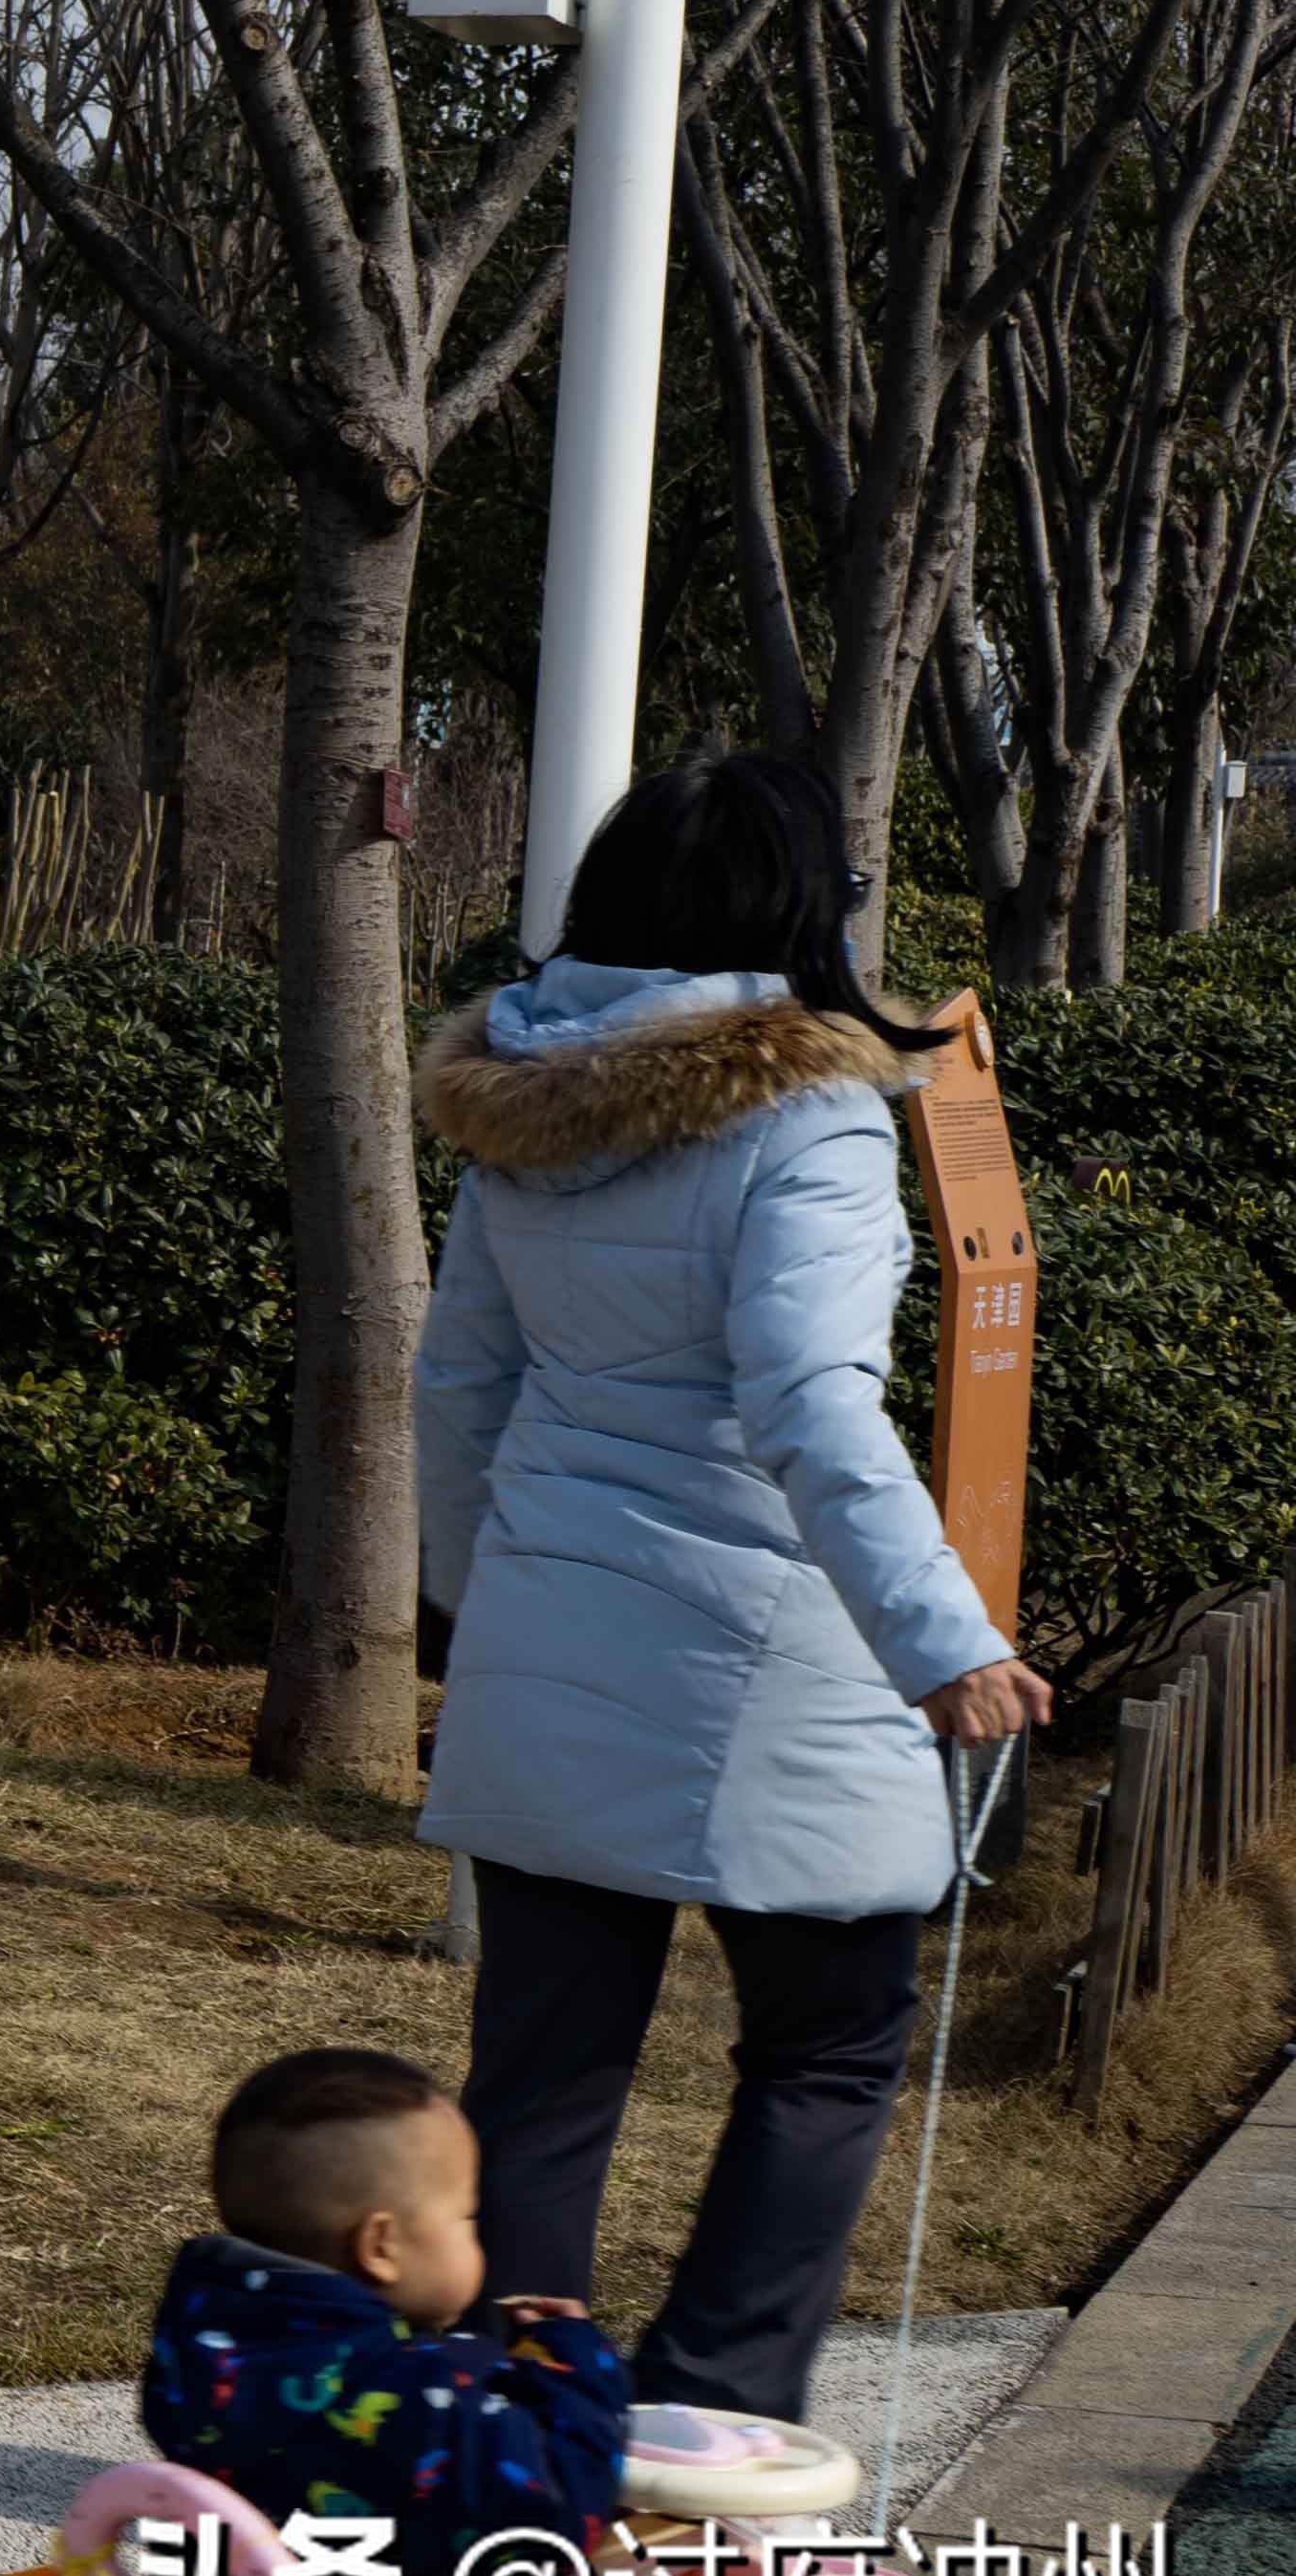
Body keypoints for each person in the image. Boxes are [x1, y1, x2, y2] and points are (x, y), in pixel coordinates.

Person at [414, 749, 1053, 2452]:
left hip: (554, 1642)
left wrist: (487, 1614)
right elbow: (814, 1405)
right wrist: (949, 1645)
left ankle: (523, 2437)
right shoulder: (814, 1112)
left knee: (542, 2083)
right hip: (774, 1671)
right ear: (798, 911)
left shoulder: (515, 1104)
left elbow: (456, 1390)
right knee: (832, 2044)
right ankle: (712, 2415)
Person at [144, 2047, 713, 2576]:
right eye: (467, 2217)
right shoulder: (420, 2399)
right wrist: (576, 2366)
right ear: (381, 2246)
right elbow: (564, 2505)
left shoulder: (199, 2361)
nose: (478, 2237)